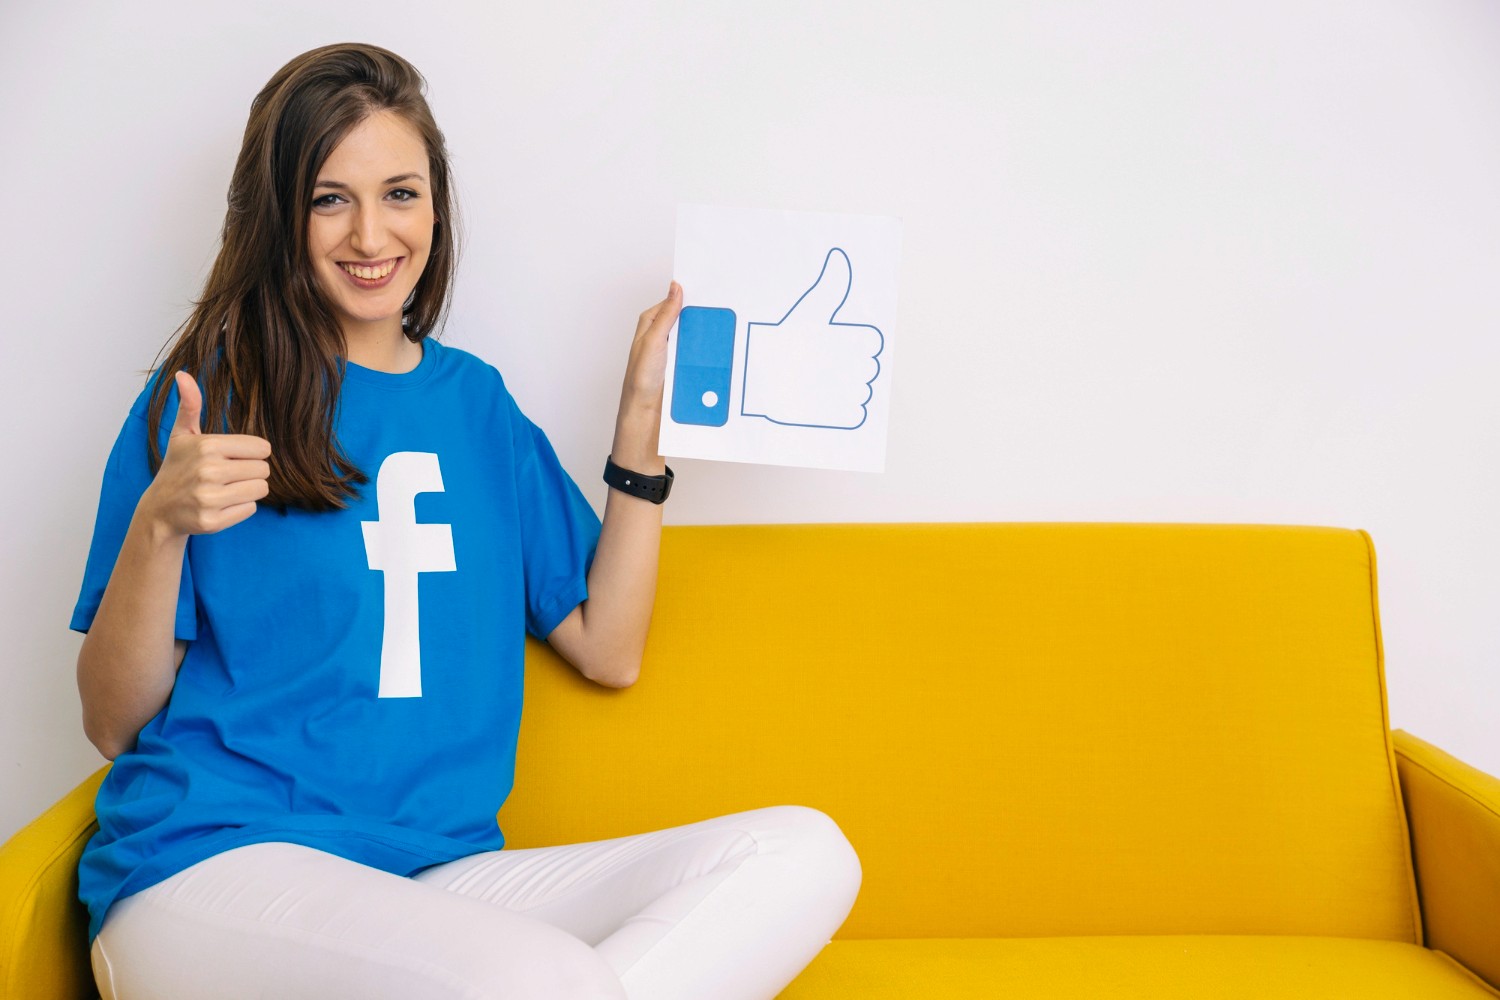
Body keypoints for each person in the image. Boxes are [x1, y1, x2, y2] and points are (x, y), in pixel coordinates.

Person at [70, 41, 861, 1000]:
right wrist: (159, 526)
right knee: (542, 979)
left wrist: (640, 430)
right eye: (331, 198)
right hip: (212, 869)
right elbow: (113, 723)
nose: (371, 235)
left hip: (437, 882)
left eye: (400, 193)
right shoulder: (207, 398)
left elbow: (607, 647)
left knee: (803, 854)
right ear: (280, 214)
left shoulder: (476, 408)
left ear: (435, 205)